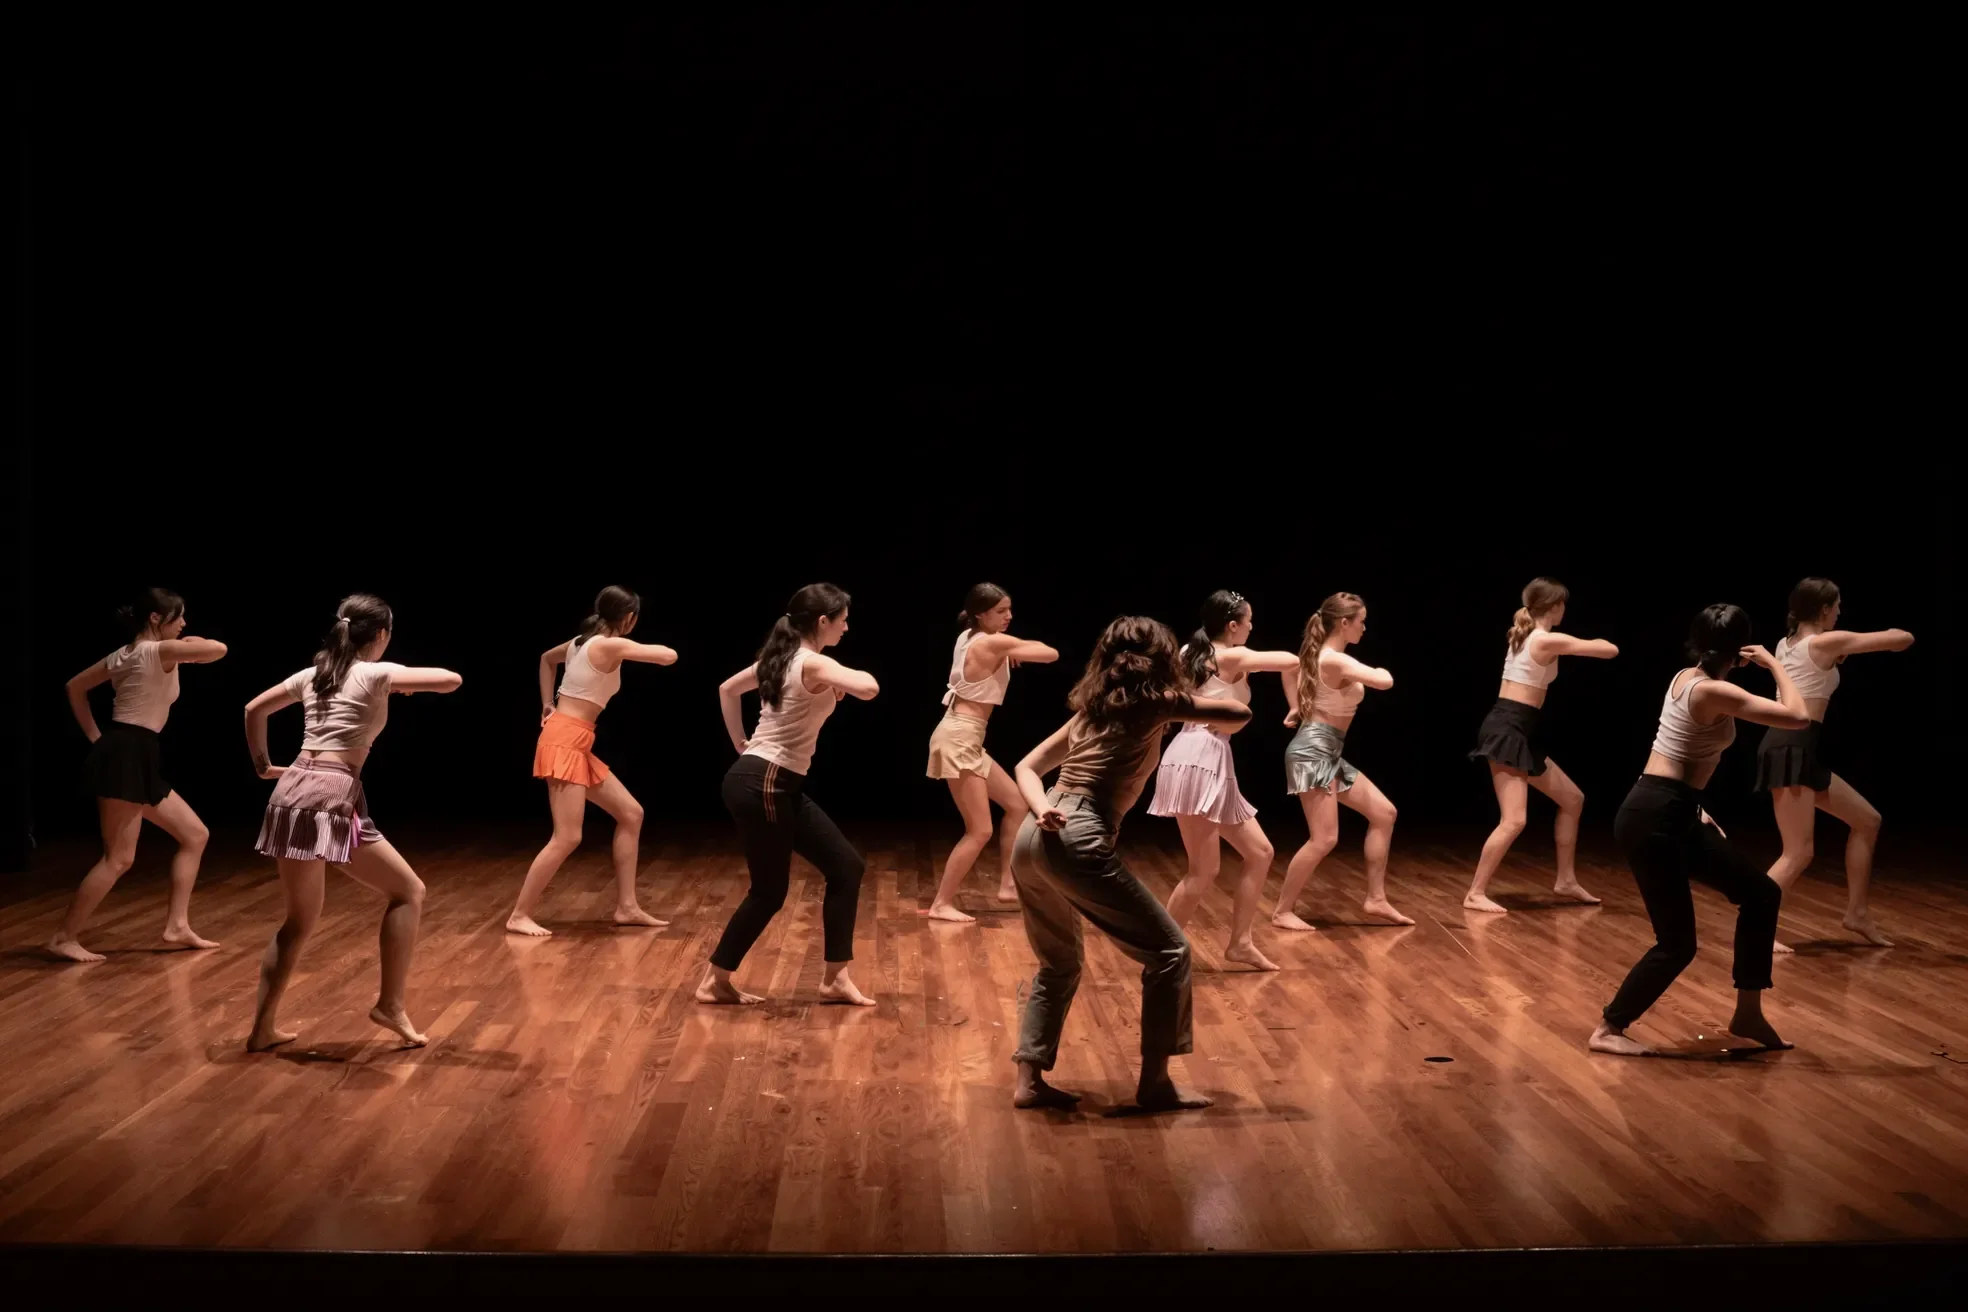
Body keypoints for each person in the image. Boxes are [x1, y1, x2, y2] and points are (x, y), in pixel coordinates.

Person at [1009, 615, 1251, 1112]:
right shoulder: (1156, 704)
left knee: (1058, 964)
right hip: (1077, 835)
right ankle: (1156, 1083)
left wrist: (1040, 809)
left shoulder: (1088, 711)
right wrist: (1195, 691)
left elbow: (1026, 767)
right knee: (1170, 952)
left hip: (1035, 834)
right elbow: (1237, 715)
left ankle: (1028, 1081)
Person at [242, 594, 462, 1051]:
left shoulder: (314, 673)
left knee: (298, 921)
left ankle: (261, 1029)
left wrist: (263, 767)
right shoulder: (374, 672)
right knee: (408, 892)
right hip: (329, 793)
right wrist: (402, 682)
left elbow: (252, 710)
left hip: (290, 791)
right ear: (380, 635)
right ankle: (390, 1005)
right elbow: (450, 680)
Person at [1590, 604, 1809, 1057]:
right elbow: (1799, 716)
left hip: (1672, 809)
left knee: (1761, 894)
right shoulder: (1713, 690)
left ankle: (1748, 1012)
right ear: (1740, 650)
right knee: (1677, 944)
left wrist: (1697, 811)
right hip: (1657, 815)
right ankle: (1609, 1028)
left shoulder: (1685, 676)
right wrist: (1774, 664)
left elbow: (1681, 756)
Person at [698, 584, 880, 1007]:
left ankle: (835, 979)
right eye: (843, 619)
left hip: (770, 780)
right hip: (765, 781)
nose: (847, 627)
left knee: (845, 867)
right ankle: (713, 981)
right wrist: (843, 682)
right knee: (768, 892)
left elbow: (726, 690)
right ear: (823, 621)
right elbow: (869, 687)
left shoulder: (778, 659)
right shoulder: (811, 662)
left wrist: (741, 743)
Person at [50, 588, 228, 961]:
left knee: (195, 834)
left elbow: (74, 686)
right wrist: (194, 645)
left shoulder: (124, 654)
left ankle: (176, 926)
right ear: (155, 619)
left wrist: (98, 739)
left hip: (133, 751)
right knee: (119, 858)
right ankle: (62, 937)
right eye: (178, 618)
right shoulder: (155, 650)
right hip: (126, 753)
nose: (184, 625)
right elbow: (218, 650)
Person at [507, 585, 679, 936]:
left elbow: (545, 659)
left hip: (574, 740)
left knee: (631, 814)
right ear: (628, 618)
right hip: (565, 742)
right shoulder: (606, 644)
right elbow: (668, 656)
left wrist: (546, 703)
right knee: (567, 837)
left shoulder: (579, 643)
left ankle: (627, 907)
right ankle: (519, 915)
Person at [1755, 577, 1914, 951]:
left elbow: (1814, 670)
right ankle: (1756, 925)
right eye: (1837, 606)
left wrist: (1843, 650)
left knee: (1867, 820)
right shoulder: (1825, 641)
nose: (1840, 612)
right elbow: (1902, 638)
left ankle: (1856, 914)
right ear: (1824, 610)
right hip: (1791, 746)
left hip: (1798, 746)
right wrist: (1864, 640)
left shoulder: (1786, 643)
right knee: (1798, 852)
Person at [1148, 590, 1297, 970]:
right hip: (1200, 757)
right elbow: (1291, 659)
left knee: (1260, 852)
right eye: (1249, 621)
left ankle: (1241, 943)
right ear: (1233, 626)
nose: (1252, 627)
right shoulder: (1229, 655)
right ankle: (1160, 950)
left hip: (1205, 755)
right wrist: (1251, 668)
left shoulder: (1190, 652)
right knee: (1203, 870)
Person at [1463, 578, 1619, 913]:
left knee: (1573, 799)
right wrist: (1577, 644)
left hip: (1516, 729)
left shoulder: (1523, 634)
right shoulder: (1544, 639)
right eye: (1563, 604)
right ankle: (1475, 893)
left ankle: (1565, 880)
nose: (1566, 609)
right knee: (1514, 820)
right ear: (1553, 606)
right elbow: (1609, 649)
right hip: (1507, 729)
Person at [1270, 593, 1410, 929]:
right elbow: (1384, 681)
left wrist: (1294, 706)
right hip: (1312, 750)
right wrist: (1377, 669)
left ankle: (1375, 899)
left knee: (1384, 813)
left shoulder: (1325, 657)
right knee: (1324, 838)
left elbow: (1290, 672)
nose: (1364, 626)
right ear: (1344, 623)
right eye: (1361, 620)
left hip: (1328, 750)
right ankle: (1282, 911)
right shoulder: (1333, 659)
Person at [922, 582, 1059, 922]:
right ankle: (941, 904)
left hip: (965, 736)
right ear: (980, 614)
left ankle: (1008, 885)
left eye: (1009, 609)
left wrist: (1009, 648)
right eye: (1000, 611)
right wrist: (1014, 647)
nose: (1008, 616)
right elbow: (1050, 653)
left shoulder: (967, 636)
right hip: (959, 737)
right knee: (980, 830)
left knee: (1016, 803)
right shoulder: (993, 641)